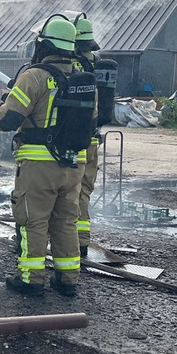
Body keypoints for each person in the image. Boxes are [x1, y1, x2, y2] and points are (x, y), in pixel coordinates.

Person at [0, 15, 92, 297]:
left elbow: (8, 120)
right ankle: (67, 279)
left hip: (39, 165)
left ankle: (31, 279)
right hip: (74, 165)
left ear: (44, 45)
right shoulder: (82, 77)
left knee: (33, 220)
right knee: (65, 221)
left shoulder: (34, 76)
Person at [73, 14, 100, 258]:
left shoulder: (73, 68)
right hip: (92, 141)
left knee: (68, 195)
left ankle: (72, 246)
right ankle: (81, 242)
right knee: (84, 193)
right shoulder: (93, 64)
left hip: (76, 143)